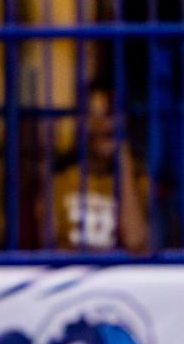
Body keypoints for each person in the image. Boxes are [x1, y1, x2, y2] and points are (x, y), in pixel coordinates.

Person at [46, 86, 151, 253]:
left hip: (119, 276)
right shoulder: (60, 181)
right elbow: (48, 249)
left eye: (109, 114)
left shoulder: (138, 179)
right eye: (93, 114)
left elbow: (136, 243)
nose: (101, 123)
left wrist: (124, 166)